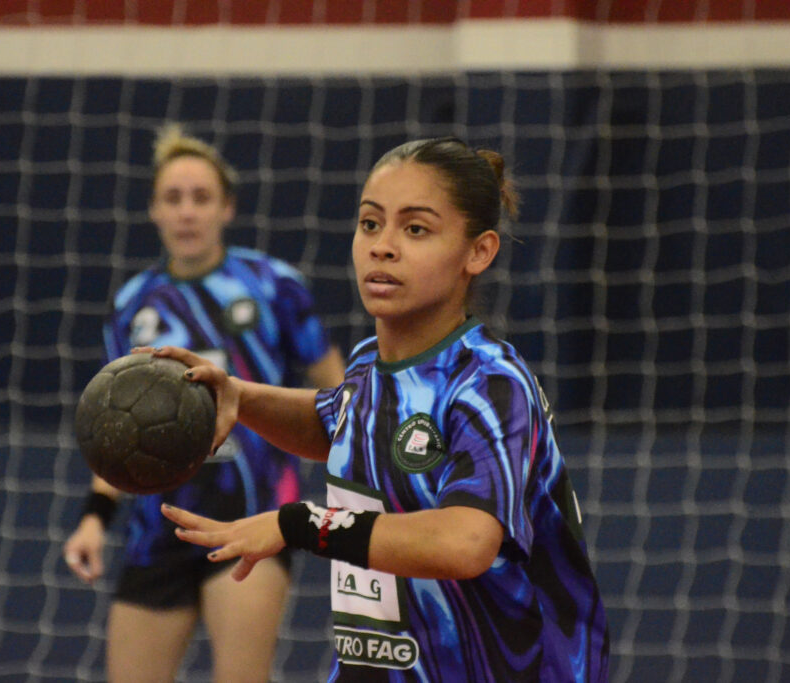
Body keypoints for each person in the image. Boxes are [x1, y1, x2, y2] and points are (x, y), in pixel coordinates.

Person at [152, 137, 610, 681]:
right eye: (371, 224)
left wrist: (300, 523)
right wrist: (242, 397)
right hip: (386, 665)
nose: (382, 246)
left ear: (479, 252)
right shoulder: (371, 363)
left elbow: (467, 542)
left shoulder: (490, 385)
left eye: (415, 229)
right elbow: (338, 423)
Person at [63, 123, 346, 683]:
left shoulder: (273, 286)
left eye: (201, 198)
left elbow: (339, 398)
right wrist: (94, 519)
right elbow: (118, 430)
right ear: (153, 211)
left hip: (253, 515)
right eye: (173, 198)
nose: (187, 212)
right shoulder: (132, 305)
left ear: (227, 208)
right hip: (156, 528)